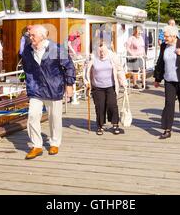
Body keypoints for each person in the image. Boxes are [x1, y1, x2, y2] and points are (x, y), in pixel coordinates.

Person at [21, 24, 76, 159]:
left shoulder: (57, 48)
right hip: (36, 88)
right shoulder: (28, 50)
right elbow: (26, 66)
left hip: (53, 87)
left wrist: (69, 85)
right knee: (33, 116)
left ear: (42, 36)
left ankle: (55, 143)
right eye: (30, 35)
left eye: (33, 35)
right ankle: (37, 145)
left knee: (55, 118)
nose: (30, 37)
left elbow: (69, 66)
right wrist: (29, 81)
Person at [84, 43, 127, 135]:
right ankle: (100, 125)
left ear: (107, 50)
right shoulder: (92, 58)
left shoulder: (113, 57)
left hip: (110, 86)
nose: (102, 53)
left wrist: (123, 81)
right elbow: (85, 71)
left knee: (112, 105)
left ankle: (115, 124)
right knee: (100, 106)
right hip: (97, 87)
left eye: (103, 51)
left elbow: (119, 69)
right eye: (100, 52)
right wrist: (86, 82)